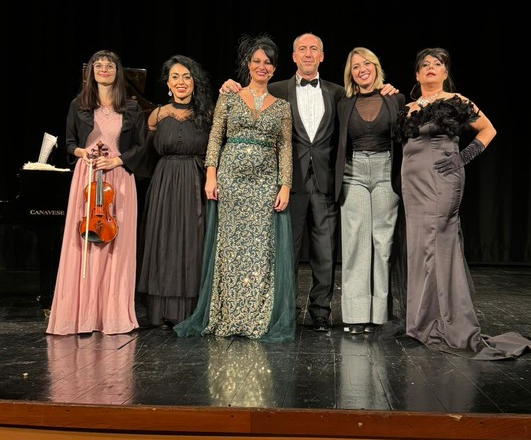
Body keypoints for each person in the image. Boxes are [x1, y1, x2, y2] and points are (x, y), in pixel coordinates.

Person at [220, 32, 398, 332]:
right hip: (288, 183)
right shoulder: (275, 89)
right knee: (286, 250)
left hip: (328, 182)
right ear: (293, 57)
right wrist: (229, 86)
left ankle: (320, 311)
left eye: (313, 49)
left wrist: (386, 89)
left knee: (325, 252)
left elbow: (368, 101)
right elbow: (250, 95)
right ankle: (285, 310)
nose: (307, 54)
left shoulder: (338, 93)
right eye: (302, 49)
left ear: (322, 56)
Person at [394, 47, 531, 360]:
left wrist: (463, 157)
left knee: (437, 245)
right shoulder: (407, 108)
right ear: (417, 74)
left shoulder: (457, 101)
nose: (431, 68)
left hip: (442, 180)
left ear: (445, 72)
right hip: (412, 185)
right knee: (419, 247)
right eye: (424, 64)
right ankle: (421, 322)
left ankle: (446, 320)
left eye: (437, 64)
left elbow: (489, 129)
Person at [173, 33, 295, 341]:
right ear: (248, 64)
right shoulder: (229, 97)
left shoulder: (282, 107)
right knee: (230, 249)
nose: (262, 66)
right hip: (231, 182)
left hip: (265, 184)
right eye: (257, 61)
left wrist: (285, 185)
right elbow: (216, 137)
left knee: (260, 251)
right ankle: (228, 316)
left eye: (268, 63)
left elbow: (285, 148)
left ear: (274, 68)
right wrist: (210, 175)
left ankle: (255, 318)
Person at [46, 50, 147, 335]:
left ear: (118, 71)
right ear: (91, 71)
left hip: (119, 176)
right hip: (88, 177)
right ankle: (82, 316)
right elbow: (69, 144)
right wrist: (83, 153)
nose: (104, 69)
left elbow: (141, 147)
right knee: (84, 245)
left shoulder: (131, 107)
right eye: (98, 65)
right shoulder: (78, 105)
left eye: (109, 65)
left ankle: (113, 316)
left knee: (118, 247)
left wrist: (117, 160)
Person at [137, 55, 214, 329]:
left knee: (192, 243)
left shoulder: (208, 114)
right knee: (164, 242)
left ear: (194, 82)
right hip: (164, 184)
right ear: (167, 83)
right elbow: (143, 155)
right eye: (175, 77)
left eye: (186, 76)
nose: (181, 82)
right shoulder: (156, 115)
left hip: (195, 181)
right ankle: (161, 311)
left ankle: (192, 310)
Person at [335, 47, 405, 334]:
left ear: (376, 67)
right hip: (354, 173)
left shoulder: (395, 99)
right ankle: (355, 316)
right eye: (355, 66)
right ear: (350, 74)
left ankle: (378, 316)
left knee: (382, 242)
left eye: (366, 64)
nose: (362, 69)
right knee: (355, 242)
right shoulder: (344, 103)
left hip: (385, 170)